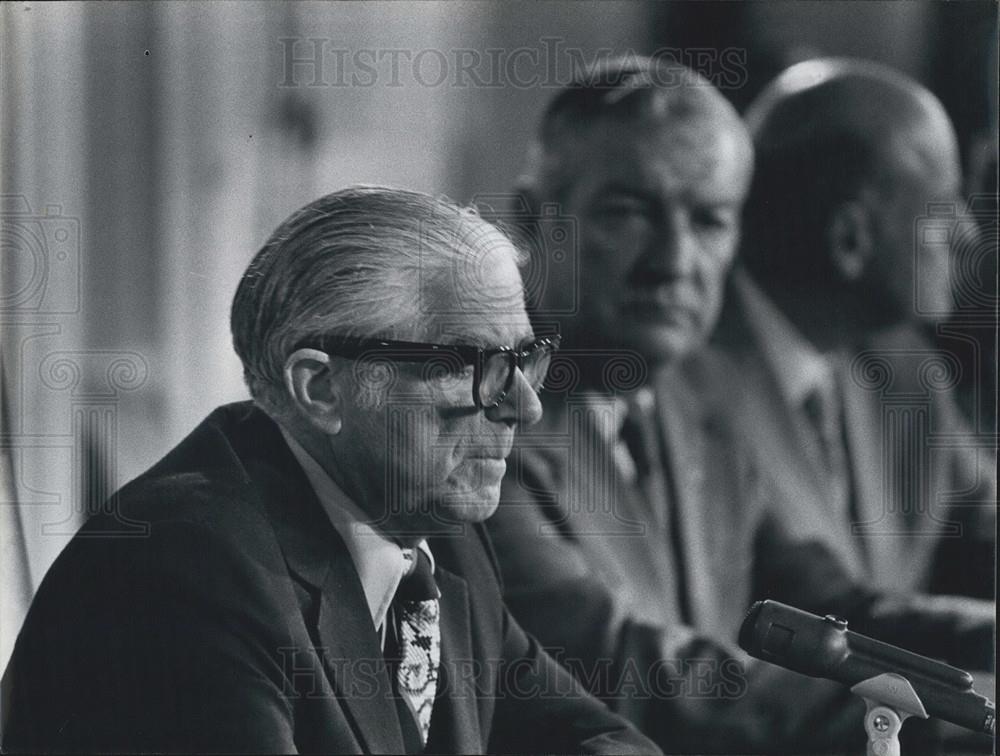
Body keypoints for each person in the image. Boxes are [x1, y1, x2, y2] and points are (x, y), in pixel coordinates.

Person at [0, 187, 659, 754]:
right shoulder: (181, 574)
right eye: (477, 366)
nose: (526, 405)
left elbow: (598, 739)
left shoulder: (438, 536)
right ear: (321, 389)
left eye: (526, 359)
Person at [485, 57, 995, 754]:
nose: (674, 261)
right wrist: (961, 730)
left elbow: (834, 613)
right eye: (627, 213)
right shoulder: (481, 421)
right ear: (533, 219)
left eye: (709, 222)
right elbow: (631, 671)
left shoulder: (691, 392)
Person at [717, 57, 996, 606]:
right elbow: (830, 609)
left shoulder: (905, 370)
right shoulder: (690, 389)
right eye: (944, 208)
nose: (966, 233)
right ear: (850, 239)